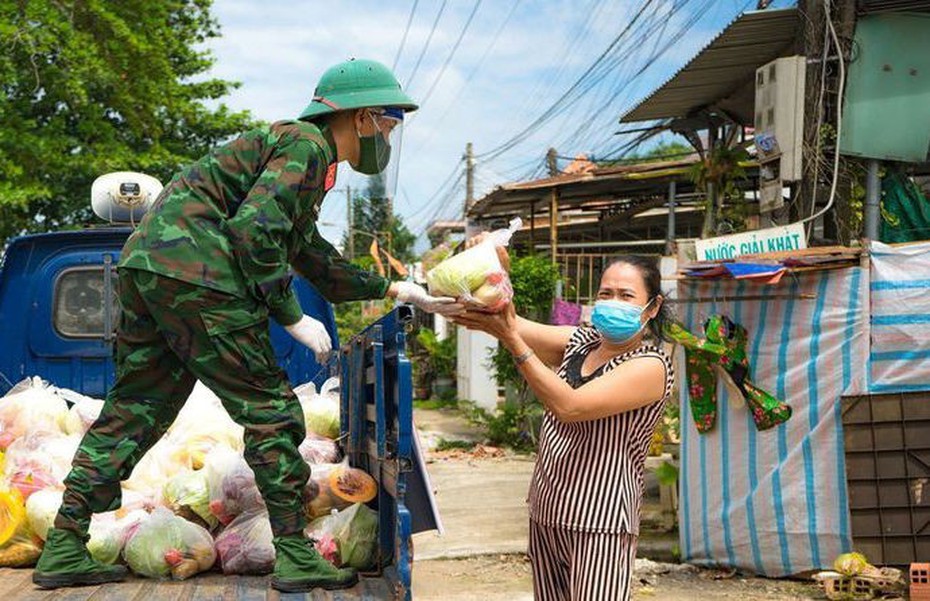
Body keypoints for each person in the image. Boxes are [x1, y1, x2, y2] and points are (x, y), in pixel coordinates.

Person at [33, 58, 462, 592]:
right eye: (390, 120)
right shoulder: (307, 146)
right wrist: (290, 313)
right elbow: (255, 232)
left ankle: (65, 544)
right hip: (198, 273)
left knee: (135, 410)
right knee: (273, 412)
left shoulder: (304, 156)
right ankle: (294, 553)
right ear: (362, 117)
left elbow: (307, 251)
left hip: (148, 267)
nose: (391, 133)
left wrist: (394, 288)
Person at [453, 253, 674, 601]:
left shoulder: (651, 365)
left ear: (652, 306)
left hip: (600, 522)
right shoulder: (580, 342)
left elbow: (569, 406)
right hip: (548, 511)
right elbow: (509, 321)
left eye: (626, 295)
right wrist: (491, 274)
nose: (613, 303)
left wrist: (514, 342)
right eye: (605, 294)